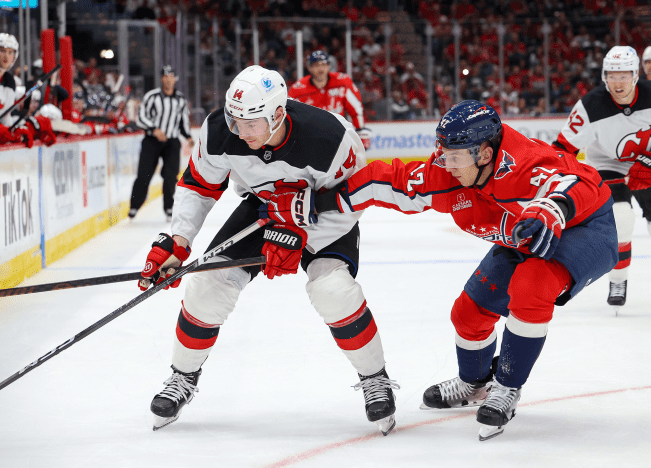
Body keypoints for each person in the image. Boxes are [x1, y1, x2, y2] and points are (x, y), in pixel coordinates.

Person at [264, 100, 617, 440]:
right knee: (468, 313)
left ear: (484, 153)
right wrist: (315, 203)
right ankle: (474, 384)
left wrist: (552, 211)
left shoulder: (524, 166)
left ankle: (507, 388)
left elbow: (577, 183)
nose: (445, 164)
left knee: (530, 285)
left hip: (584, 227)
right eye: (443, 153)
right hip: (523, 235)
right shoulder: (450, 174)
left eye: (454, 156)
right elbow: (382, 181)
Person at [138, 65, 399, 435]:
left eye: (250, 124)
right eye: (235, 122)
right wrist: (179, 239)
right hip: (261, 208)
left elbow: (352, 199)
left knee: (333, 291)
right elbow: (198, 185)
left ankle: (375, 378)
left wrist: (298, 235)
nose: (240, 133)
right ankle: (182, 377)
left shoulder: (330, 136)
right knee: (206, 285)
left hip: (323, 217)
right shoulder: (219, 131)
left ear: (278, 114)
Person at [552, 45, 651, 310]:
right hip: (608, 165)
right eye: (612, 75)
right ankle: (618, 279)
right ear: (604, 76)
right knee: (622, 219)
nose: (618, 82)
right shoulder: (590, 105)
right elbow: (562, 149)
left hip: (647, 162)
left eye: (624, 75)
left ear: (635, 75)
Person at [129, 65, 194, 221]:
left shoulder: (180, 100)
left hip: (172, 141)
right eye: (165, 76)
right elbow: (141, 117)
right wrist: (154, 129)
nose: (168, 79)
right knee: (144, 174)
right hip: (152, 140)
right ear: (161, 79)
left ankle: (169, 207)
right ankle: (135, 205)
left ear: (175, 79)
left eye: (171, 76)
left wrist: (188, 137)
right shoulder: (152, 96)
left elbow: (183, 121)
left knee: (171, 176)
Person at [288, 51, 370, 149]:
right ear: (309, 68)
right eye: (316, 65)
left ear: (329, 66)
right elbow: (291, 117)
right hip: (311, 139)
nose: (320, 68)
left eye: (324, 64)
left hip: (339, 135)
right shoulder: (298, 90)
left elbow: (356, 109)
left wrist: (361, 130)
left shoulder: (342, 82)